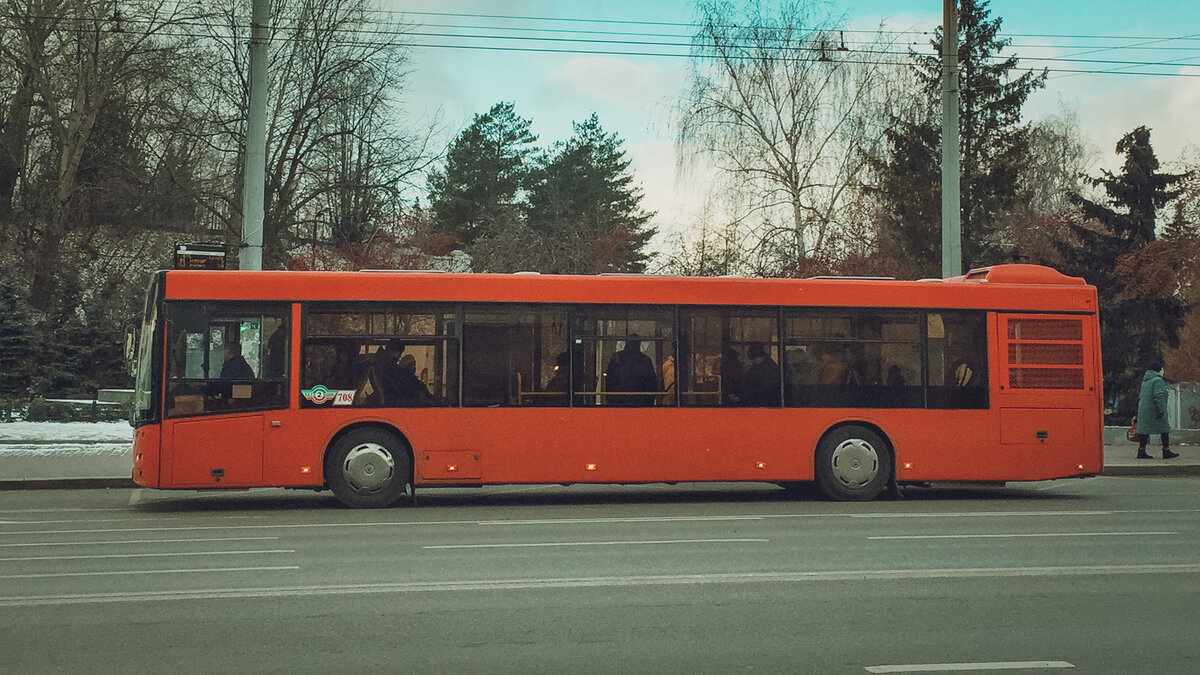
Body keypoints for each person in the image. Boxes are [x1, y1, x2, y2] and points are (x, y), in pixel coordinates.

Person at [1135, 362, 1178, 459]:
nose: (1163, 371)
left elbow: (1141, 396)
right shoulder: (1158, 380)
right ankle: (1166, 451)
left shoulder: (1145, 381)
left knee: (1144, 431)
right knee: (1164, 429)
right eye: (1162, 369)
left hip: (1144, 409)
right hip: (1154, 410)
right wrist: (1161, 409)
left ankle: (1141, 451)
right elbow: (1159, 396)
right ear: (1158, 370)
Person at [605, 338, 657, 406]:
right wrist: (650, 401)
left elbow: (609, 381)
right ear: (639, 344)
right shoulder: (645, 360)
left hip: (619, 402)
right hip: (641, 402)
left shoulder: (617, 358)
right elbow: (652, 383)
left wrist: (610, 399)